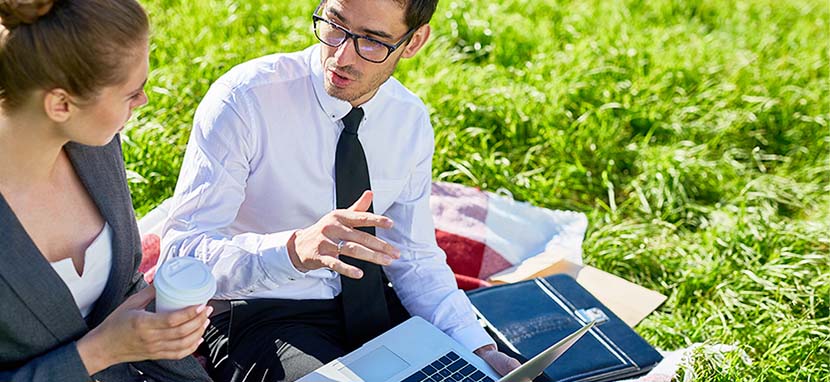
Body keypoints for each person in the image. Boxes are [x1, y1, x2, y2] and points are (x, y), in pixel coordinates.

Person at [160, 0, 522, 380]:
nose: (342, 55)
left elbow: (413, 256)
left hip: (372, 302)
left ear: (414, 42)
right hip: (262, 311)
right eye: (335, 25)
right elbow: (180, 254)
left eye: (372, 41)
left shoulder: (408, 120)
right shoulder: (244, 99)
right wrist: (293, 250)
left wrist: (479, 349)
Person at [0, 0, 213, 380]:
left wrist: (164, 336)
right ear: (61, 104)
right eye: (131, 93)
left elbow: (125, 287)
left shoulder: (94, 144)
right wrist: (100, 352)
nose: (143, 101)